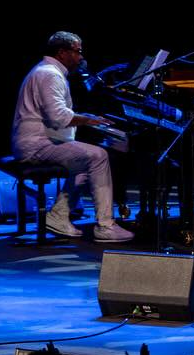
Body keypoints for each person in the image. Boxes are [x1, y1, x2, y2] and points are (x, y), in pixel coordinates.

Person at [10, 32, 134, 242]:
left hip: (41, 141)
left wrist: (88, 119)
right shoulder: (49, 74)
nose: (81, 58)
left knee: (87, 161)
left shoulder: (46, 71)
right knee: (98, 156)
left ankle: (58, 216)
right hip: (36, 145)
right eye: (77, 52)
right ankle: (105, 226)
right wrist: (89, 120)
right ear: (61, 52)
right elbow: (58, 117)